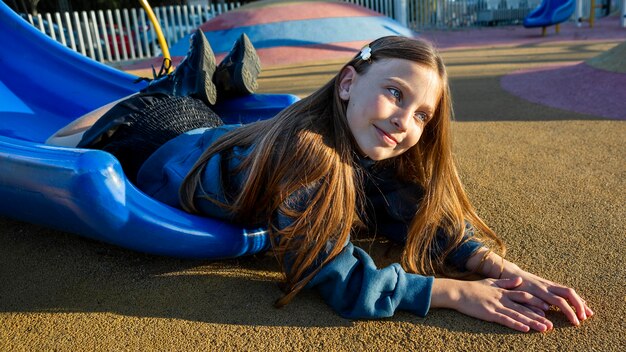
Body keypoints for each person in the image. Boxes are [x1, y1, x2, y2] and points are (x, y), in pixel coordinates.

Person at [48, 32, 593, 332]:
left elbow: (411, 207)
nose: (406, 120)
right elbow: (336, 276)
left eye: (424, 114)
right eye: (396, 93)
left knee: (203, 113)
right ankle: (180, 83)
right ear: (349, 83)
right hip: (154, 145)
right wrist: (452, 292)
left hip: (215, 137)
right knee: (120, 119)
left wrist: (496, 265)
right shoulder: (307, 156)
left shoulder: (360, 138)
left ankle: (209, 84)